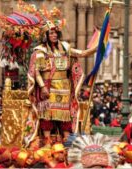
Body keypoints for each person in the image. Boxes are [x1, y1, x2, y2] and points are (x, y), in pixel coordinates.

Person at [27, 8, 98, 143]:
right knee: (47, 115)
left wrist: (97, 48)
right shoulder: (40, 51)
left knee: (65, 115)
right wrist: (42, 87)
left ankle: (66, 141)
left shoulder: (65, 47)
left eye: (55, 33)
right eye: (51, 33)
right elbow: (36, 72)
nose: (54, 35)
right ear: (46, 35)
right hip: (48, 87)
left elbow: (82, 53)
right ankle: (47, 140)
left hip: (64, 88)